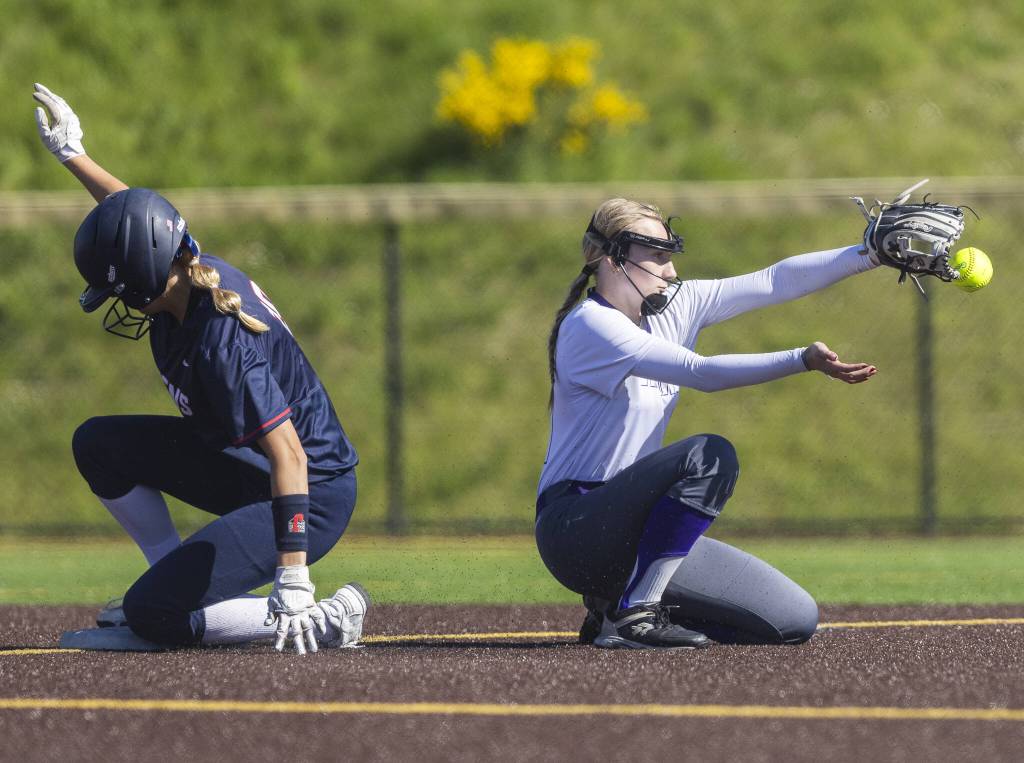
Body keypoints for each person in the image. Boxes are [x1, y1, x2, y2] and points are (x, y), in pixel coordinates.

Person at [33, 83, 368, 654]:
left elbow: (289, 454)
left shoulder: (219, 340)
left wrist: (294, 581)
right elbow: (139, 220)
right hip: (251, 464)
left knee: (151, 616)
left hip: (308, 494)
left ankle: (319, 618)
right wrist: (73, 154)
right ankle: (172, 581)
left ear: (141, 285)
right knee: (99, 443)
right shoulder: (187, 267)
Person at [537, 198, 879, 649]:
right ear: (613, 258)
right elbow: (703, 374)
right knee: (709, 456)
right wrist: (801, 360)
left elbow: (776, 280)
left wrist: (871, 254)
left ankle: (613, 605)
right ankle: (634, 614)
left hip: (630, 529)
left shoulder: (673, 306)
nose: (671, 271)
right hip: (576, 528)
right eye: (658, 257)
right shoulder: (591, 326)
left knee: (793, 620)